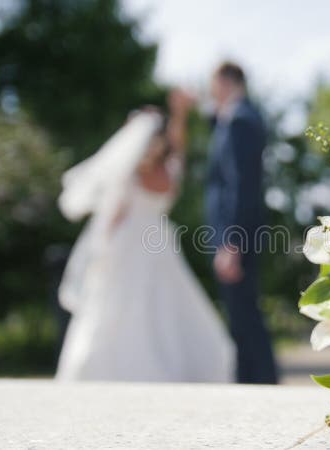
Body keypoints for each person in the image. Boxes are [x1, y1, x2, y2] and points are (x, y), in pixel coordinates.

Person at [55, 92, 235, 382]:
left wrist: (179, 114)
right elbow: (111, 218)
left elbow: (179, 142)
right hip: (127, 246)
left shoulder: (171, 167)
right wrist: (101, 252)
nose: (152, 145)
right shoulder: (128, 176)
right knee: (120, 306)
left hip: (159, 245)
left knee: (165, 307)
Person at [206, 62, 278, 384]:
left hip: (238, 235)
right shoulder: (233, 119)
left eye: (213, 82)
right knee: (241, 312)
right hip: (238, 233)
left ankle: (261, 381)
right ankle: (253, 380)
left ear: (227, 81)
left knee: (244, 313)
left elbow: (240, 185)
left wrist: (230, 242)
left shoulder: (240, 120)